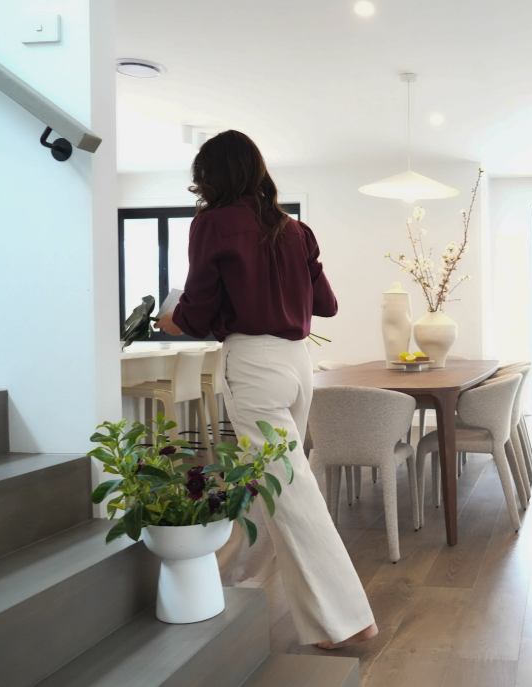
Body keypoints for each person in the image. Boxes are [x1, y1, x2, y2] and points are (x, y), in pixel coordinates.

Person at [155, 130, 377, 650]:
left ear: (212, 176)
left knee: (290, 490)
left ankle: (346, 619)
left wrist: (169, 318)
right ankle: (231, 578)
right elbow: (326, 305)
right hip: (298, 363)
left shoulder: (212, 224)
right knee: (269, 483)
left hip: (253, 363)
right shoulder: (295, 229)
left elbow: (197, 312)